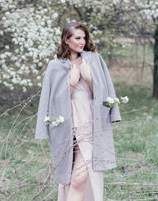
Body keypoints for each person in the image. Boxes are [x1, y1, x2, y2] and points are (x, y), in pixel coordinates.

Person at [35, 22, 121, 201]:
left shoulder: (94, 59)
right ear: (66, 40)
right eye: (77, 38)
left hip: (90, 125)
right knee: (68, 178)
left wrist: (89, 78)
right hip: (66, 127)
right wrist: (72, 83)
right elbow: (50, 101)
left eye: (84, 38)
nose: (82, 41)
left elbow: (105, 94)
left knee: (78, 179)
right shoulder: (55, 66)